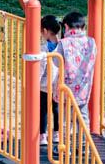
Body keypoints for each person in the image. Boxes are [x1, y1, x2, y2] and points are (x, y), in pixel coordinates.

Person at [59, 11, 98, 127]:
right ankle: (84, 142)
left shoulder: (63, 43)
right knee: (83, 114)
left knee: (65, 117)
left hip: (66, 86)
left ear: (65, 27)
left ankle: (66, 142)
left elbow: (57, 62)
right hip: (84, 85)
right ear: (83, 27)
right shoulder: (91, 42)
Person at [39, 14, 62, 146]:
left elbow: (40, 69)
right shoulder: (63, 46)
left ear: (46, 31)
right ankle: (57, 134)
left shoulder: (43, 50)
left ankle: (42, 135)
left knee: (43, 111)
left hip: (44, 86)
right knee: (57, 110)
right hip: (58, 85)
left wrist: (34, 84)